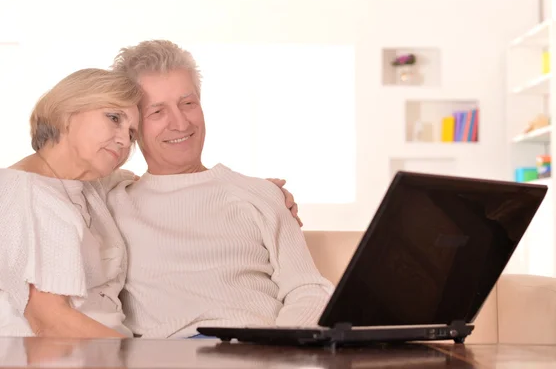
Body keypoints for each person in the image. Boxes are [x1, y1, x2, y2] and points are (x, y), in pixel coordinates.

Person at [108, 40, 334, 338]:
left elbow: (308, 288)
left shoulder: (259, 194)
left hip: (261, 349)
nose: (179, 122)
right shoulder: (112, 202)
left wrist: (282, 349)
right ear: (132, 126)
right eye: (157, 111)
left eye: (188, 104)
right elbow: (42, 174)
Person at [0, 68, 141, 338]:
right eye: (113, 118)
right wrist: (141, 358)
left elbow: (123, 178)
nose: (124, 140)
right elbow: (52, 322)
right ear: (67, 113)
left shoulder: (84, 184)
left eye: (132, 134)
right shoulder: (27, 196)